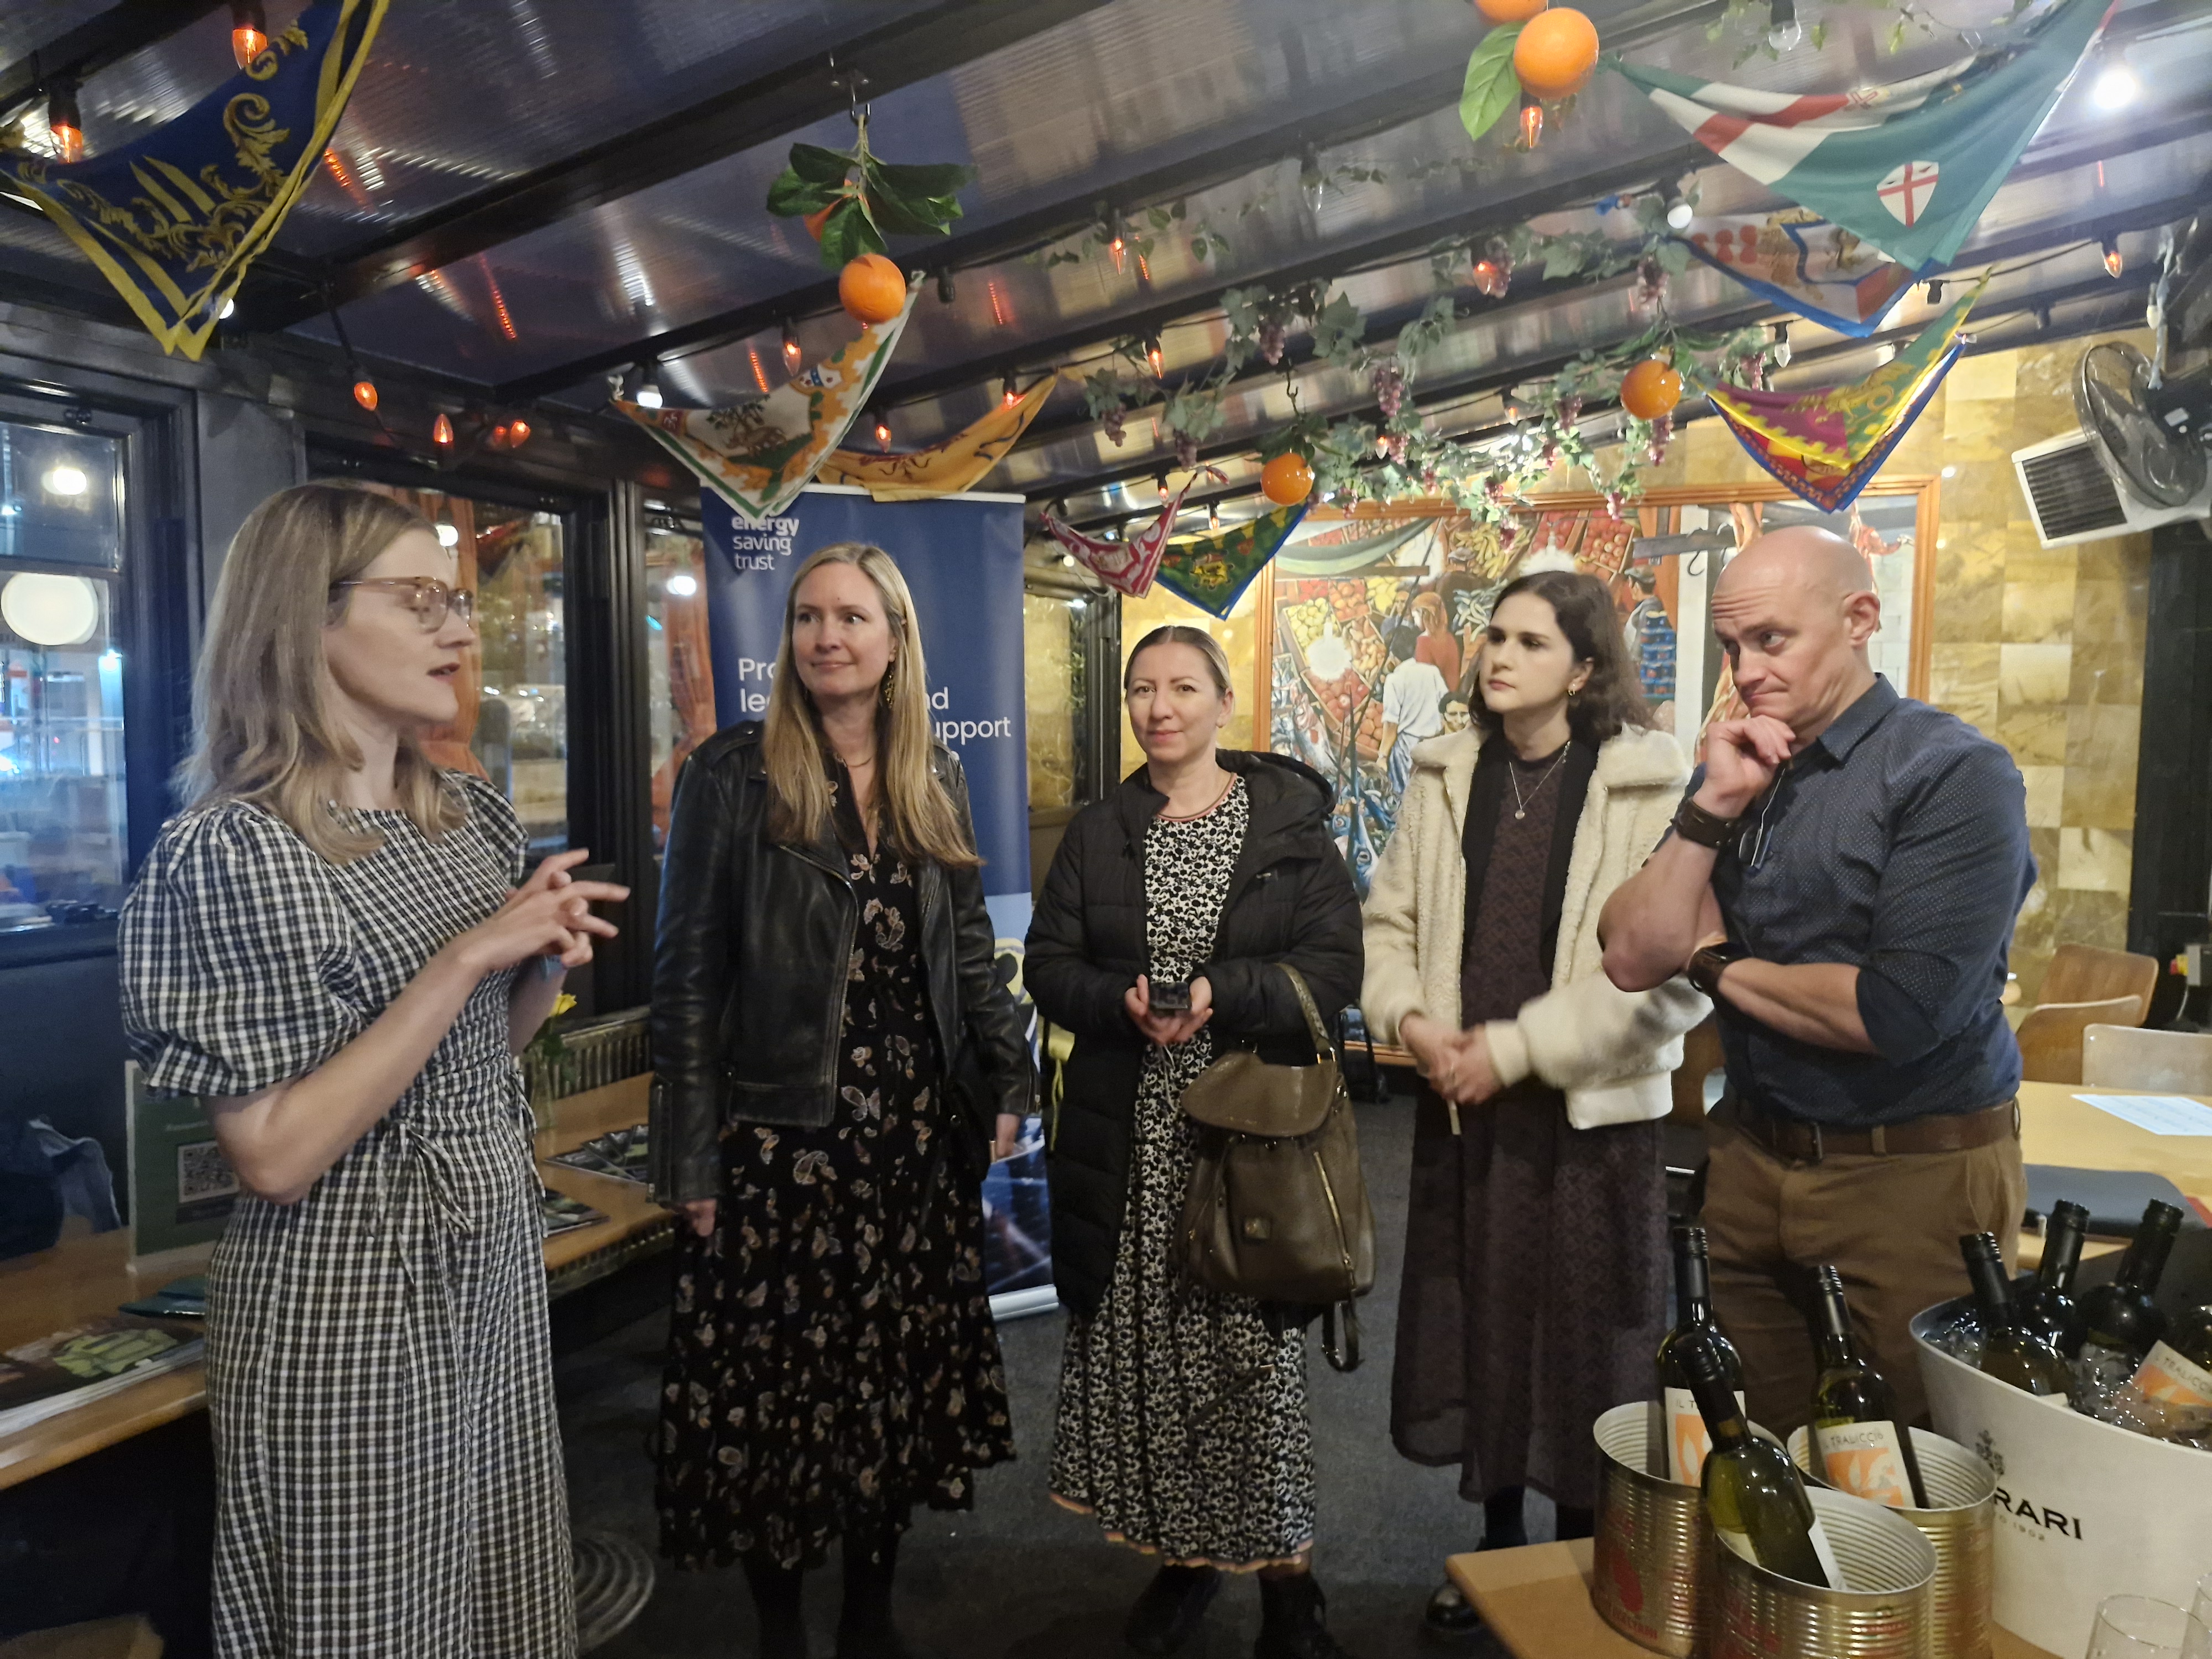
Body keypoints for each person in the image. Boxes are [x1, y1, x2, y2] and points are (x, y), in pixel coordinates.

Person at [118, 483, 628, 1655]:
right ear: (307, 618)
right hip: (343, 1301)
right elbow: (278, 1155)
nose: (460, 630)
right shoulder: (233, 849)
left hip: (489, 1271)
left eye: (458, 603)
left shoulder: (466, 817)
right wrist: (466, 959)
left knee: (497, 1596)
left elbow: (467, 1070)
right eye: (420, 602)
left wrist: (539, 968)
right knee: (372, 1619)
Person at [650, 541, 1030, 1659]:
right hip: (776, 1144)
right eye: (809, 617)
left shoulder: (933, 775)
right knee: (773, 1406)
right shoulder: (731, 774)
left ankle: (869, 1607)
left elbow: (967, 953)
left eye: (851, 618)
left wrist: (1006, 1077)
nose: (826, 635)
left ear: (895, 639)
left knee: (889, 1395)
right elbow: (683, 979)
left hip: (910, 1145)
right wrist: (690, 1162)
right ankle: (780, 1628)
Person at [1600, 525, 2034, 1436]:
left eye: (1771, 640)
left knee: (1902, 1470)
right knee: (1746, 1447)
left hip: (1910, 1172)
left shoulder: (1950, 772)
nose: (1745, 670)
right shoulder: (1747, 766)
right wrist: (1714, 803)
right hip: (1754, 1158)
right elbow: (1633, 951)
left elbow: (1894, 1011)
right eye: (1731, 647)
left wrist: (1713, 958)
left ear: (1859, 619)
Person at [1360, 568, 1708, 1642]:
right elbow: (1389, 925)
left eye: (1527, 642)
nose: (1495, 657)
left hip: (1588, 1120)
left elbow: (1672, 982)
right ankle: (1500, 1555)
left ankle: (1593, 1564)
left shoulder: (1656, 787)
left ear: (1587, 668)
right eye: (1491, 637)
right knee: (1484, 1325)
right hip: (1462, 1106)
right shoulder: (1443, 771)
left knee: (1589, 1343)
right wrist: (1412, 1026)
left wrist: (1512, 1052)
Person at [1027, 625, 1363, 1659]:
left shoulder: (1290, 827)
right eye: (1141, 689)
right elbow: (1047, 964)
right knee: (1148, 1358)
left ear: (1225, 702)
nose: (1158, 706)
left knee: (1250, 1365)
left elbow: (1334, 974)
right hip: (1129, 1142)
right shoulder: (1100, 830)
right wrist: (1117, 1003)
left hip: (1249, 1138)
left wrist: (1224, 993)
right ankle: (1186, 1557)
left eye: (1182, 687)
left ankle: (1288, 1582)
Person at [1377, 624, 1448, 799]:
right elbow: (1445, 707)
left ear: (1392, 654)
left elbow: (1391, 725)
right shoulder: (1432, 672)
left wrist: (1382, 756)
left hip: (1407, 749)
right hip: (1434, 744)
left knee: (1407, 798)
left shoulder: (1394, 680)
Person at [1411, 590, 1463, 695]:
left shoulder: (1423, 642)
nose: (1415, 623)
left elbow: (1424, 680)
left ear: (1424, 615)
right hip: (1452, 695)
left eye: (1415, 617)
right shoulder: (1450, 638)